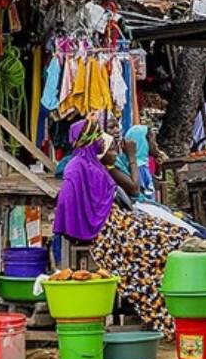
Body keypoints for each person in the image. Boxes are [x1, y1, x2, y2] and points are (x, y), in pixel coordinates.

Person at [53, 118, 195, 340]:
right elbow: (66, 205)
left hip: (121, 223)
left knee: (179, 237)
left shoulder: (94, 164)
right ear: (90, 140)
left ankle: (185, 311)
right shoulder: (76, 168)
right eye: (99, 135)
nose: (103, 140)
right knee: (160, 249)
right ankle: (168, 315)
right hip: (110, 234)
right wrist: (81, 232)